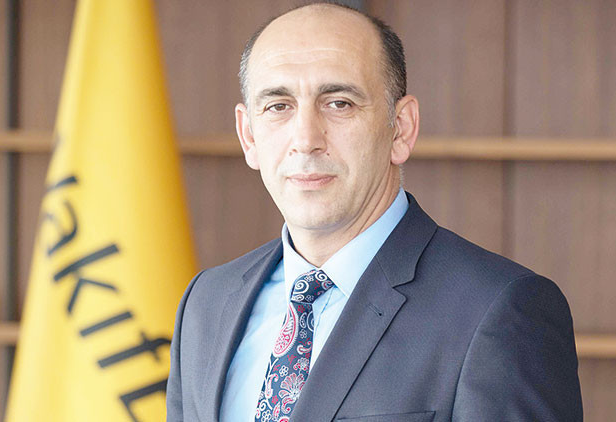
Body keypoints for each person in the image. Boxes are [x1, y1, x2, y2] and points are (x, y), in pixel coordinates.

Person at [166, 3, 582, 421]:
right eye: (278, 106)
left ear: (401, 128)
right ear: (248, 136)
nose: (306, 139)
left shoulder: (499, 311)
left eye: (339, 103)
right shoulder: (206, 303)